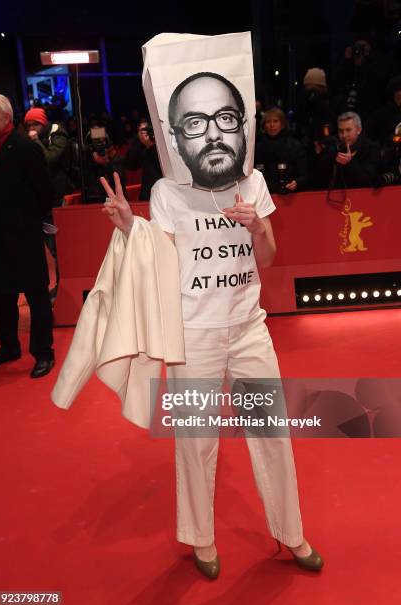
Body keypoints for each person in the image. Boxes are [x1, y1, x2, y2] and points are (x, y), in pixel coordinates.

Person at [100, 72, 324, 578]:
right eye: (196, 123)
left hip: (249, 328)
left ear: (240, 125)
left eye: (225, 118)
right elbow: (160, 261)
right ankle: (201, 538)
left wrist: (260, 226)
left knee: (272, 433)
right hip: (192, 338)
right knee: (196, 440)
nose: (214, 134)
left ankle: (292, 533)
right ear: (177, 134)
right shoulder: (166, 193)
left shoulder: (254, 182)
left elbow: (266, 259)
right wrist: (131, 228)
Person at [0, 94, 55, 377]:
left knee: (36, 295)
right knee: (1, 295)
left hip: (24, 234)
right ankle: (9, 346)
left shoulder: (24, 147)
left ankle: (43, 353)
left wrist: (32, 222)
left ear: (6, 118)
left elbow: (44, 192)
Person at [24, 107, 72, 297]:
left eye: (35, 124)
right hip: (38, 201)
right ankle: (48, 287)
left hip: (58, 199)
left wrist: (35, 142)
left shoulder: (57, 134)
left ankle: (61, 289)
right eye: (28, 125)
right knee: (44, 248)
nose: (31, 128)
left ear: (43, 123)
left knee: (57, 247)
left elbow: (49, 160)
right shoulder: (28, 138)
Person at [315, 111, 380, 189]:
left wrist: (350, 162)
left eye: (348, 130)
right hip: (338, 198)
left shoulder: (371, 148)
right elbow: (320, 181)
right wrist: (320, 155)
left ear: (359, 130)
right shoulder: (334, 148)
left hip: (364, 196)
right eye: (341, 131)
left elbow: (368, 181)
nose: (344, 135)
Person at [255, 107, 307, 194]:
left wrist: (297, 182)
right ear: (264, 125)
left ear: (282, 124)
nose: (272, 125)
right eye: (268, 122)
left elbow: (304, 174)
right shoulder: (258, 147)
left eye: (275, 121)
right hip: (265, 195)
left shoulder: (294, 145)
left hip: (290, 195)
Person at [125, 120, 162, 200]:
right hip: (147, 193)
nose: (144, 132)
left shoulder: (162, 149)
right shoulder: (143, 151)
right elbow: (130, 165)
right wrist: (138, 140)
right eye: (141, 131)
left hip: (162, 193)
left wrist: (152, 143)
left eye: (146, 130)